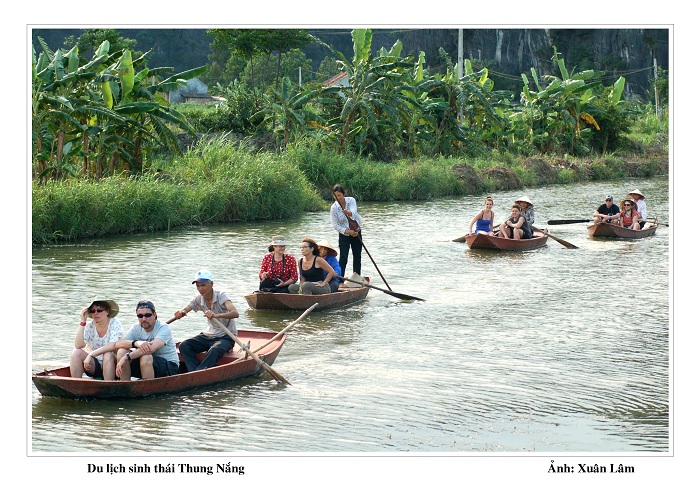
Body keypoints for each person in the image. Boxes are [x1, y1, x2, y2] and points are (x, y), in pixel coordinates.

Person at [174, 269, 240, 372]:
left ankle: (198, 373)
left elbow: (235, 313)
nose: (200, 289)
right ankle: (195, 372)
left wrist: (216, 315)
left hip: (226, 336)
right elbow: (186, 309)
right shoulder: (198, 298)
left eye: (203, 285)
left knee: (214, 350)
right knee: (184, 346)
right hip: (209, 334)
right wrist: (180, 313)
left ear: (211, 284)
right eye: (198, 286)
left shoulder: (221, 296)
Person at [114, 300, 180, 380]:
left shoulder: (164, 328)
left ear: (154, 315)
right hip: (145, 363)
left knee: (145, 356)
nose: (144, 319)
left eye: (147, 315)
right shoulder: (136, 328)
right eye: (140, 316)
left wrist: (126, 357)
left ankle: (147, 389)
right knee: (121, 351)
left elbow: (150, 349)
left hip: (169, 366)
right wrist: (136, 343)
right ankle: (125, 386)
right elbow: (119, 343)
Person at [70, 297, 123, 380]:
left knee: (108, 354)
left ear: (107, 312)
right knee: (76, 352)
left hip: (113, 364)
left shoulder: (115, 323)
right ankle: (75, 384)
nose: (96, 313)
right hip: (95, 364)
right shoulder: (90, 326)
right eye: (93, 311)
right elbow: (78, 345)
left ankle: (108, 386)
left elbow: (112, 345)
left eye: (99, 310)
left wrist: (91, 354)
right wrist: (83, 322)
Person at [330, 184, 363, 277]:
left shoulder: (351, 200)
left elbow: (354, 213)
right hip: (344, 234)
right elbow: (336, 225)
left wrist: (347, 212)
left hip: (356, 232)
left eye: (339, 195)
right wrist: (348, 232)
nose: (337, 198)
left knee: (357, 256)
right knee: (343, 257)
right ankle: (340, 279)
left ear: (344, 194)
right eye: (335, 196)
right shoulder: (334, 208)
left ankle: (356, 278)